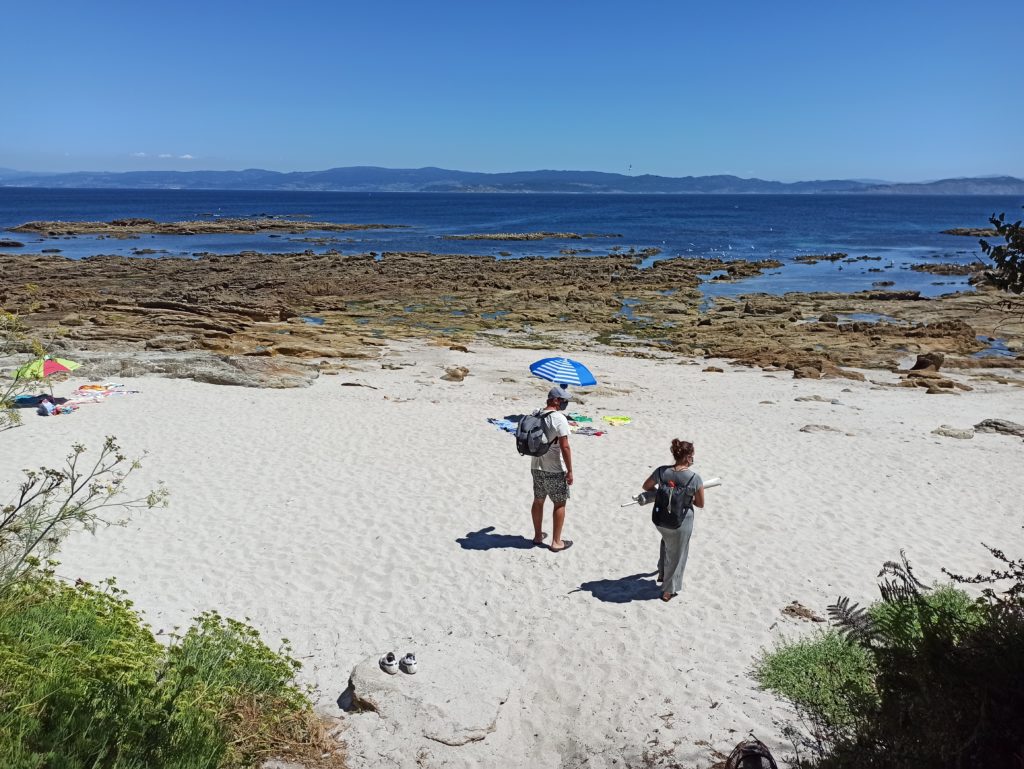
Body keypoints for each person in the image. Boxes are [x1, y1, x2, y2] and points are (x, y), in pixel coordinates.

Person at [641, 439, 704, 602]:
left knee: (666, 543)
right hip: (681, 522)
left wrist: (664, 493)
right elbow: (700, 504)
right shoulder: (694, 478)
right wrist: (686, 499)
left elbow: (646, 486)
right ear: (687, 457)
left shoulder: (662, 472)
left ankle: (662, 573)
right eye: (692, 457)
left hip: (662, 520)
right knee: (678, 555)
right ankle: (668, 590)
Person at [530, 386, 574, 552]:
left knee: (538, 500)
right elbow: (565, 446)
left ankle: (537, 536)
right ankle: (556, 542)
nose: (565, 404)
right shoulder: (559, 418)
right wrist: (570, 471)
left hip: (536, 466)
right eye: (564, 401)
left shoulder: (535, 413)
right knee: (559, 503)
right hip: (554, 468)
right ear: (556, 400)